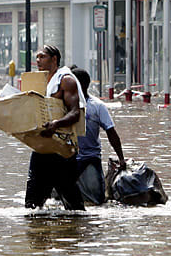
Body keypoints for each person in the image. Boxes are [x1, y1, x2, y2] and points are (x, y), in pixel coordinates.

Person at [24, 45, 87, 211]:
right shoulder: (41, 81)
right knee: (32, 203)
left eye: (42, 57)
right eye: (37, 57)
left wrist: (56, 124)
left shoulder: (66, 80)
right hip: (43, 146)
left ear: (54, 59)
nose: (38, 60)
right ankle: (36, 233)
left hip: (62, 147)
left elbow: (75, 113)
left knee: (72, 202)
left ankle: (75, 232)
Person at [71, 67, 126, 205]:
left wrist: (121, 159)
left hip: (89, 159)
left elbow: (111, 133)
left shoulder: (97, 106)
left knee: (97, 201)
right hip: (68, 159)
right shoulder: (62, 104)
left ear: (81, 85)